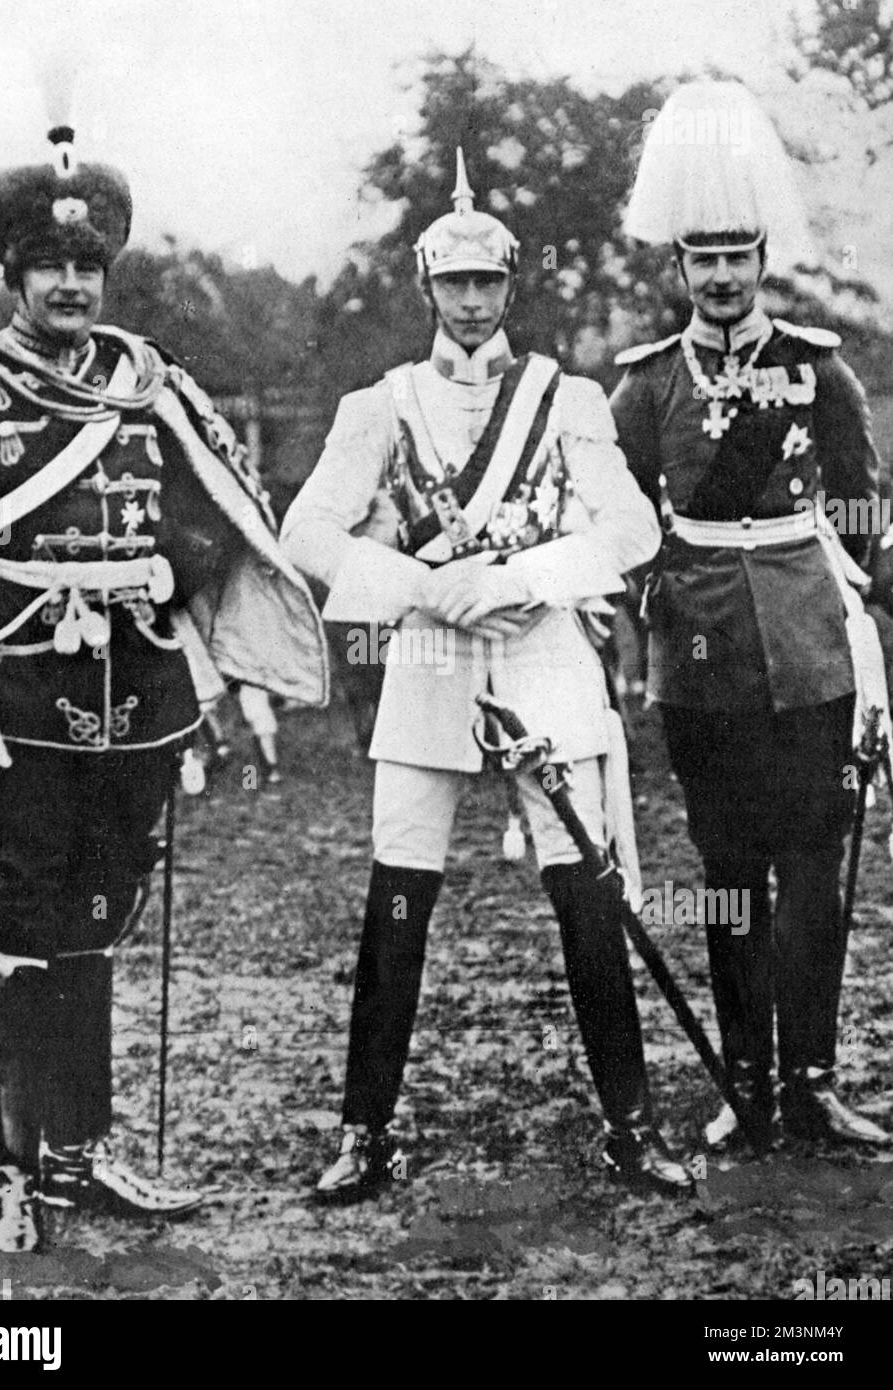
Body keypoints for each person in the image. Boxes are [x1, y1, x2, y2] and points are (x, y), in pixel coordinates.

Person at [0, 127, 327, 1253]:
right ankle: (10, 1177)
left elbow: (217, 518)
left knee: (96, 925)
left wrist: (175, 576)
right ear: (10, 271)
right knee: (17, 929)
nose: (71, 285)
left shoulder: (151, 385)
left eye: (89, 267)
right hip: (16, 701)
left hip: (136, 699)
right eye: (47, 265)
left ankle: (80, 1151)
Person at [281, 150, 691, 1200]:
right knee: (399, 889)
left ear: (511, 288)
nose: (471, 302)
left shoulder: (565, 399)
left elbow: (631, 527)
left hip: (538, 649)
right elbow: (309, 533)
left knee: (582, 891)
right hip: (426, 657)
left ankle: (629, 1125)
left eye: (488, 283)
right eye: (453, 283)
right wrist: (421, 588)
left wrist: (518, 573)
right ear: (426, 288)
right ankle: (364, 1130)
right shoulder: (379, 404)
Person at [610, 81, 890, 1153]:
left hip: (811, 655)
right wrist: (652, 603)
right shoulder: (641, 388)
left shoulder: (817, 372)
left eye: (735, 253)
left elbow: (862, 505)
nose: (719, 275)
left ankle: (813, 1079)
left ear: (760, 256)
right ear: (675, 267)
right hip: (701, 662)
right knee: (726, 879)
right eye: (700, 257)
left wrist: (851, 606)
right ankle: (747, 1085)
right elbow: (622, 514)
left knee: (812, 872)